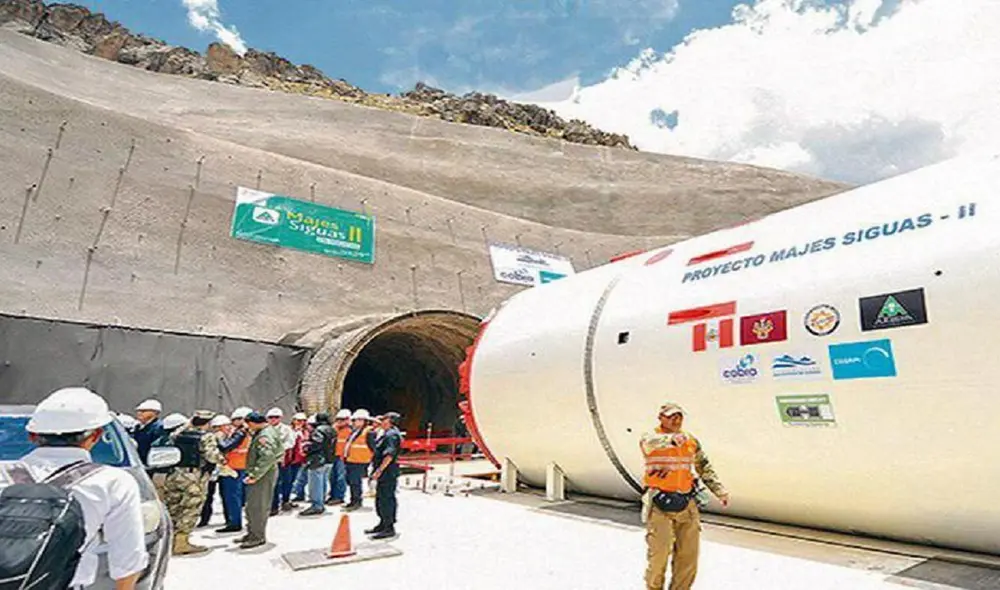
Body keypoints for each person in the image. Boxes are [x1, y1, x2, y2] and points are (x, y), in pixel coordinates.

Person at [21, 387, 148, 589]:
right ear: (96, 436)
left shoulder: (3, 473)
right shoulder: (112, 481)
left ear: (32, 435)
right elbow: (127, 559)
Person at [640, 402, 729, 590]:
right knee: (659, 556)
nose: (676, 420)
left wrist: (719, 490)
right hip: (659, 504)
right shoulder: (651, 438)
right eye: (671, 416)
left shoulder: (690, 440)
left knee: (688, 558)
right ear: (661, 418)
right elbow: (649, 444)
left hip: (686, 504)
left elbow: (703, 466)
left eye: (679, 416)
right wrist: (671, 440)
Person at [163, 410, 223, 555]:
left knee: (173, 507)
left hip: (174, 474)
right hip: (193, 477)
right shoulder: (207, 436)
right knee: (190, 508)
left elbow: (174, 435)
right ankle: (181, 543)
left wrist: (187, 424)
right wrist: (223, 460)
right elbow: (211, 456)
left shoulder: (177, 434)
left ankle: (170, 541)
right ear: (207, 423)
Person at [238, 412, 284, 549]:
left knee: (258, 506)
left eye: (248, 424)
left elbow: (267, 457)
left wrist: (254, 475)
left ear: (253, 422)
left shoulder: (265, 435)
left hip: (263, 474)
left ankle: (257, 537)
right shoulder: (266, 431)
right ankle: (251, 532)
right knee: (252, 505)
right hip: (264, 473)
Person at [366, 411, 402, 539]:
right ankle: (382, 523)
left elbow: (389, 455)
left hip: (388, 473)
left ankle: (389, 527)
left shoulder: (391, 435)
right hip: (384, 472)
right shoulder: (385, 433)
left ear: (390, 421)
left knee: (387, 498)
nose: (382, 421)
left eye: (385, 419)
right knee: (380, 498)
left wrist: (379, 470)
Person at [216, 408, 251, 533]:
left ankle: (234, 523)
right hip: (238, 466)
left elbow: (226, 447)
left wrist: (218, 437)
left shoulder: (240, 433)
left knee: (231, 496)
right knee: (232, 495)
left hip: (234, 467)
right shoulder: (246, 432)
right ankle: (232, 521)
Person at [198, 413, 231, 528]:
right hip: (211, 470)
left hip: (225, 470)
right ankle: (204, 519)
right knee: (208, 496)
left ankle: (229, 519)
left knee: (227, 495)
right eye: (225, 426)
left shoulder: (232, 436)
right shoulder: (210, 437)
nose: (228, 428)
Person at [300, 412, 335, 516]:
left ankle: (316, 506)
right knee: (323, 482)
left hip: (317, 460)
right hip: (329, 459)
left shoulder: (319, 430)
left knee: (315, 484)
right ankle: (321, 502)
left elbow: (317, 443)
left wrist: (307, 447)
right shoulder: (332, 429)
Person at [342, 409, 376, 511]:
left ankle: (356, 501)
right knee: (351, 481)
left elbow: (373, 448)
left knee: (355, 482)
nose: (354, 422)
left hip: (360, 461)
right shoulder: (355, 431)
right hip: (351, 460)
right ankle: (353, 500)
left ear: (363, 421)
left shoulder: (369, 432)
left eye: (356, 420)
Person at [266, 407, 298, 515]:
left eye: (276, 417)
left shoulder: (286, 429)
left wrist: (279, 449)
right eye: (271, 417)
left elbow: (291, 442)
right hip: (269, 460)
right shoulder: (265, 429)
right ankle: (273, 506)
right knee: (273, 483)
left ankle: (285, 500)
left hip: (283, 459)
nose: (273, 419)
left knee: (286, 481)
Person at [326, 408, 351, 506]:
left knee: (341, 477)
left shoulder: (350, 431)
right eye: (338, 419)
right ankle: (332, 495)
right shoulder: (334, 429)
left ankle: (339, 497)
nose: (340, 421)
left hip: (343, 457)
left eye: (343, 419)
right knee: (332, 477)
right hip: (334, 456)